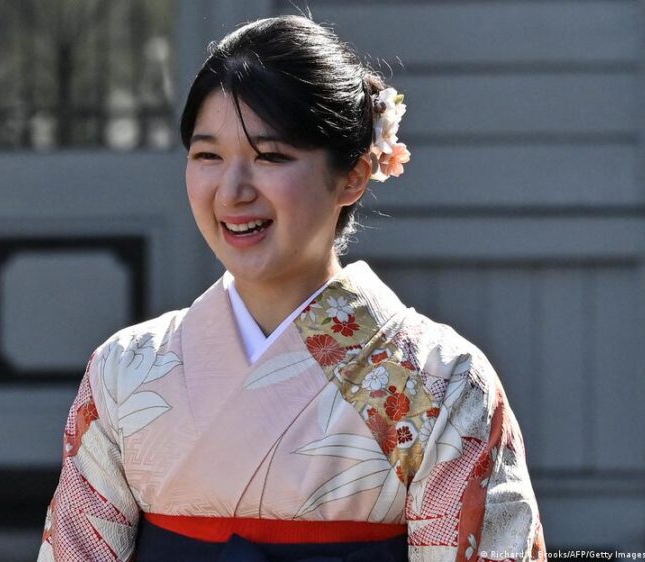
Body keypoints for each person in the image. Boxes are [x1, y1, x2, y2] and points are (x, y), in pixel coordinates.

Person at [38, 15, 545, 562]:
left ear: (352, 174)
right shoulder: (125, 370)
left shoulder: (438, 381)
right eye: (208, 155)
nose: (231, 192)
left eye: (270, 157)